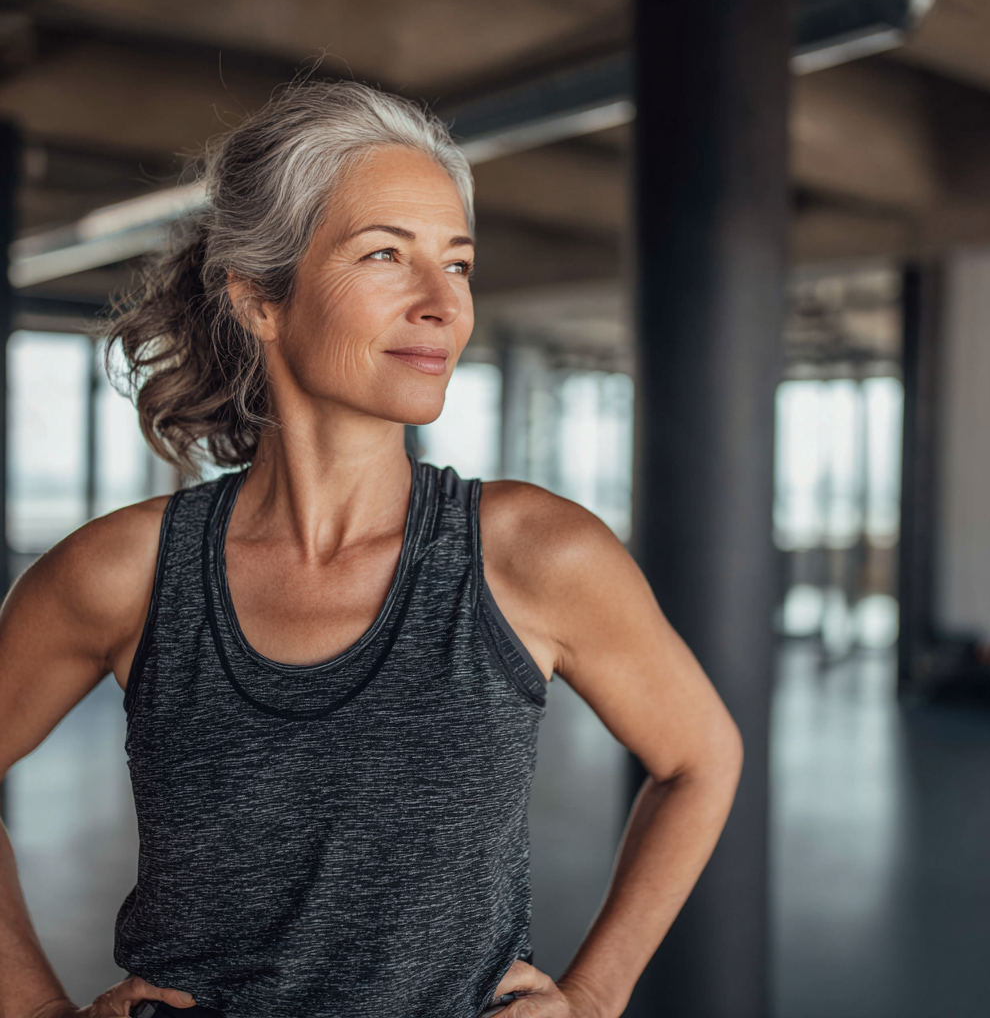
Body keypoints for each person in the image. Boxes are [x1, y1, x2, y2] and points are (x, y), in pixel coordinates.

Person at [0, 82, 743, 1018]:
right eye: (387, 254)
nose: (441, 303)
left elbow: (701, 758)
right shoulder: (126, 574)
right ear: (260, 298)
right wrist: (34, 1008)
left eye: (460, 264)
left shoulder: (535, 556)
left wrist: (594, 995)